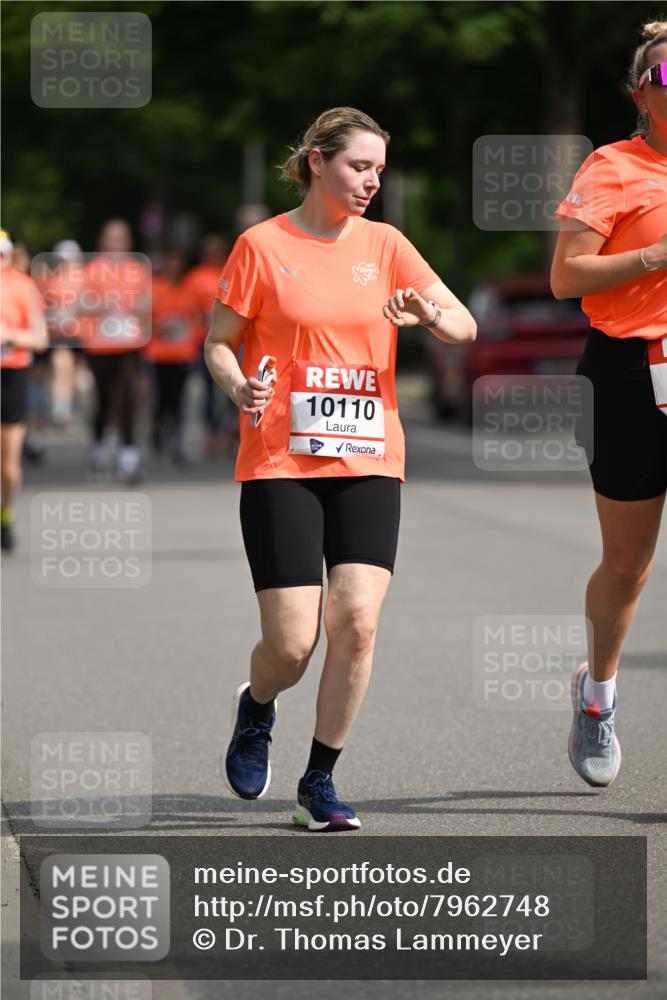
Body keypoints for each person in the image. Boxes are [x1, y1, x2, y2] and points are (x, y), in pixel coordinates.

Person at [205, 108, 476, 831]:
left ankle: (317, 782)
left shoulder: (387, 245)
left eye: (379, 171)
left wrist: (425, 313)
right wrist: (238, 387)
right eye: (359, 167)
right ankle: (257, 705)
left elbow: (462, 325)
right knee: (292, 644)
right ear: (317, 163)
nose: (371, 182)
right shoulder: (261, 245)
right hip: (279, 460)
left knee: (355, 621)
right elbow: (219, 342)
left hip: (368, 459)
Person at [551, 20, 667, 788]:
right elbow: (567, 277)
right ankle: (597, 695)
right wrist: (657, 252)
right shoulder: (612, 167)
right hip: (629, 370)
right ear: (643, 97)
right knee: (627, 566)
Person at [83, 220, 151, 483]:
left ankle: (128, 454)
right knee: (103, 397)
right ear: (103, 242)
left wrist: (135, 306)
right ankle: (99, 445)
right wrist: (104, 305)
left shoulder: (137, 269)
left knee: (128, 396)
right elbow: (80, 304)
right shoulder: (92, 270)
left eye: (121, 239)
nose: (116, 244)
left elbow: (147, 302)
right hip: (99, 344)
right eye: (111, 239)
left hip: (129, 343)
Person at [0, 231, 48, 551]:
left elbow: (40, 339)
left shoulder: (23, 285)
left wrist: (10, 336)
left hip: (11, 377)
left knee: (8, 463)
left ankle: (6, 514)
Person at [145, 249, 199, 464]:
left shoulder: (188, 291)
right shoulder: (155, 289)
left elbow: (197, 320)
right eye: (171, 264)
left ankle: (176, 443)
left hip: (183, 355)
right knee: (160, 400)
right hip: (158, 355)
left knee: (179, 401)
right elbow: (143, 321)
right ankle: (157, 432)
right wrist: (159, 326)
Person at [182, 235, 229, 456]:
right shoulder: (196, 277)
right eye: (210, 252)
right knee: (209, 391)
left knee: (234, 386)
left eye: (217, 251)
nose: (214, 256)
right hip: (206, 341)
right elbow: (187, 310)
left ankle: (230, 431)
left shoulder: (232, 270)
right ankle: (211, 431)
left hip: (235, 340)